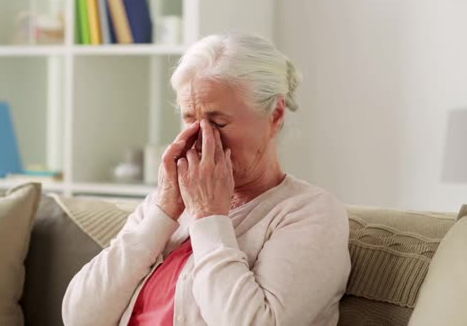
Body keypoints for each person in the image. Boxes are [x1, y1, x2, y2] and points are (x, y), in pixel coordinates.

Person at [62, 32, 351, 326]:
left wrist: (208, 217)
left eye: (218, 122)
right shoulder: (169, 203)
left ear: (275, 115)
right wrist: (161, 212)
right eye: (190, 118)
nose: (201, 137)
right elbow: (79, 317)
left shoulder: (310, 213)